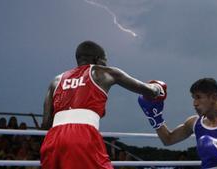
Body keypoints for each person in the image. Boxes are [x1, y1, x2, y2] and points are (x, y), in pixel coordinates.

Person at [40, 40, 167, 169]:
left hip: (52, 139)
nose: (106, 65)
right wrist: (158, 87)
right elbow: (147, 90)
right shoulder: (102, 72)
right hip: (81, 135)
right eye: (105, 61)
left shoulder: (56, 81)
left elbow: (45, 124)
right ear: (97, 59)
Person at [138, 78, 217, 169]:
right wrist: (155, 118)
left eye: (198, 97)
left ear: (214, 97)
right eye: (193, 98)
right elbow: (168, 140)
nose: (195, 103)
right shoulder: (193, 122)